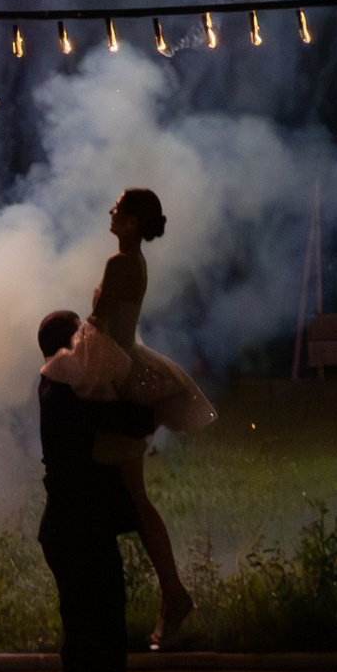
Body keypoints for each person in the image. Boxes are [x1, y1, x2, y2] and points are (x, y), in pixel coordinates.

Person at [36, 185, 213, 645]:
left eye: (118, 208)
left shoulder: (119, 264)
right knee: (134, 494)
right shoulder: (135, 263)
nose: (111, 212)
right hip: (126, 361)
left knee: (127, 492)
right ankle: (171, 595)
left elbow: (97, 326)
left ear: (132, 221)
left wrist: (70, 365)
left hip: (116, 369)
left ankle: (168, 595)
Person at [35, 305, 158, 672]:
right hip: (76, 536)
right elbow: (137, 418)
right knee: (87, 661)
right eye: (84, 339)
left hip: (83, 534)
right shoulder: (67, 390)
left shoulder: (69, 388)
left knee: (107, 658)